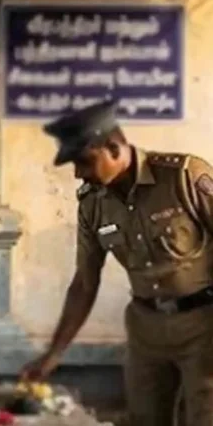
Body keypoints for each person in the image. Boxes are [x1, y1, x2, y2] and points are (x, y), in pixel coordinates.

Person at [20, 99, 213, 426]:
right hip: (145, 330)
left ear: (113, 148)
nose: (79, 173)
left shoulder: (182, 177)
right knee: (144, 419)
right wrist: (54, 354)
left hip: (202, 325)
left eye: (84, 161)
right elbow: (84, 282)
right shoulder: (92, 204)